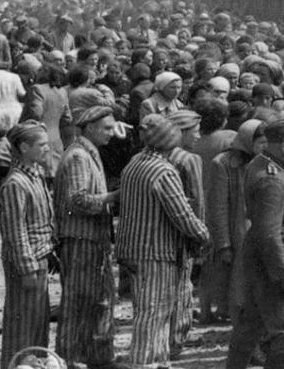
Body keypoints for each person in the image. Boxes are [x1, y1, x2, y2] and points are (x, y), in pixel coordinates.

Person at [114, 114, 210, 368]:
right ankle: (146, 363)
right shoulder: (163, 171)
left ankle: (156, 361)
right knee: (154, 314)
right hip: (156, 252)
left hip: (132, 249)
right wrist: (203, 235)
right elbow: (182, 215)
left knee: (146, 311)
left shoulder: (135, 162)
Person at [226, 119, 284, 369]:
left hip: (260, 256)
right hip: (278, 257)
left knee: (251, 323)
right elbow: (270, 232)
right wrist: (282, 274)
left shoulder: (262, 164)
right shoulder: (273, 178)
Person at [53, 106, 124, 369]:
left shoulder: (89, 153)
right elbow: (77, 200)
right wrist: (114, 197)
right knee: (80, 302)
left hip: (94, 239)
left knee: (100, 299)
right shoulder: (78, 157)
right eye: (106, 128)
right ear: (90, 127)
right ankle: (72, 358)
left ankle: (98, 356)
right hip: (80, 240)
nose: (111, 133)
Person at [0, 121, 56, 369]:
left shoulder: (35, 175)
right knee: (22, 324)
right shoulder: (15, 184)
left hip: (40, 257)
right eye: (41, 144)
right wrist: (27, 268)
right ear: (23, 147)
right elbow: (16, 231)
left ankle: (34, 363)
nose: (47, 148)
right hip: (26, 264)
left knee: (37, 321)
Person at [206, 119, 268, 325]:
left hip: (265, 232)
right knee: (239, 288)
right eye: (260, 142)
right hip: (239, 233)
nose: (264, 147)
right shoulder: (223, 163)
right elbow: (218, 207)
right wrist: (223, 243)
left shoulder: (270, 162)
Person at [166, 110, 206, 359]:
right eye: (195, 131)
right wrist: (200, 235)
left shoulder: (155, 155)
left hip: (162, 232)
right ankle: (178, 338)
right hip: (185, 230)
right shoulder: (188, 159)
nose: (198, 136)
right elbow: (198, 201)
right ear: (181, 133)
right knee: (182, 285)